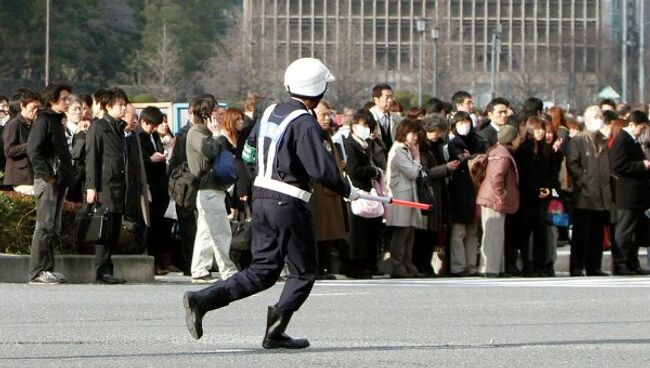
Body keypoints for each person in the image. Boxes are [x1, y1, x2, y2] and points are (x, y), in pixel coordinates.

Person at [183, 58, 359, 349]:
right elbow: (321, 170)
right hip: (289, 203)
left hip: (262, 198)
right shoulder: (305, 123)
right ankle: (275, 332)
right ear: (317, 90)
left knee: (263, 271)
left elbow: (249, 153)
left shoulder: (270, 112)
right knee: (303, 271)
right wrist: (346, 189)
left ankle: (202, 300)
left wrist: (262, 179)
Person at [26, 84, 74, 284]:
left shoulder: (57, 121)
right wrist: (47, 175)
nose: (68, 101)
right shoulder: (43, 120)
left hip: (59, 181)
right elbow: (33, 150)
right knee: (44, 227)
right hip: (47, 181)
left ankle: (48, 268)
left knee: (53, 227)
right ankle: (37, 271)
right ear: (52, 100)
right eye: (64, 98)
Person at [85, 88, 130, 285]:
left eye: (124, 104)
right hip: (104, 185)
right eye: (119, 104)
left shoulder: (120, 128)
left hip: (119, 184)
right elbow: (92, 157)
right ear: (109, 106)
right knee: (103, 228)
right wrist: (91, 186)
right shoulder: (98, 127)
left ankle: (108, 269)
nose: (123, 108)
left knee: (114, 228)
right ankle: (101, 271)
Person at [566, 106, 612, 277]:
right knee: (581, 234)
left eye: (601, 116)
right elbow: (573, 164)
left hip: (601, 195)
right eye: (595, 116)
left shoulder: (604, 140)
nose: (599, 119)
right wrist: (583, 181)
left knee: (597, 234)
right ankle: (577, 266)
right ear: (586, 119)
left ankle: (594, 266)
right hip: (584, 196)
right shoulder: (578, 140)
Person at [415, 115, 459, 276]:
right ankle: (421, 265)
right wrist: (446, 168)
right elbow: (424, 171)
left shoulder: (440, 145)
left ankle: (426, 265)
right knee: (423, 232)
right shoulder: (421, 146)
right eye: (434, 131)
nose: (437, 135)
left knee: (433, 231)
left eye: (439, 132)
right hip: (427, 191)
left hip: (439, 191)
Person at [447, 112, 488, 276]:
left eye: (466, 122)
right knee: (459, 231)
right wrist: (473, 158)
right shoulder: (453, 143)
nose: (464, 125)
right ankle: (458, 266)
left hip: (476, 188)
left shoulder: (478, 140)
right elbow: (463, 160)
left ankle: (471, 265)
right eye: (460, 122)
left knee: (472, 231)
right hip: (459, 190)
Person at [476, 125, 520, 277]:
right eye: (517, 136)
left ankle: (497, 268)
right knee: (493, 234)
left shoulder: (498, 151)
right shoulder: (502, 155)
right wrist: (502, 195)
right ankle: (490, 269)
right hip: (493, 199)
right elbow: (497, 176)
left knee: (496, 234)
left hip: (490, 197)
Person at [609, 110, 650, 275]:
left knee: (634, 232)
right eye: (641, 127)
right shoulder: (622, 139)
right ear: (632, 124)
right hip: (627, 194)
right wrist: (642, 165)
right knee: (624, 231)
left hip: (637, 195)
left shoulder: (631, 140)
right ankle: (620, 263)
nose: (642, 131)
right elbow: (618, 165)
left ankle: (632, 263)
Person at [344, 109, 383, 278]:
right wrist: (372, 171)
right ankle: (355, 266)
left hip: (366, 191)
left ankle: (367, 264)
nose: (366, 128)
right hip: (356, 192)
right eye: (363, 125)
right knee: (356, 233)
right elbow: (353, 170)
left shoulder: (365, 145)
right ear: (353, 126)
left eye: (369, 125)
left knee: (368, 231)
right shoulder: (351, 145)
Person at [312, 100, 348, 278]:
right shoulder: (313, 136)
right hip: (319, 190)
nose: (327, 118)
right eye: (323, 115)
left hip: (332, 189)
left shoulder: (326, 136)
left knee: (330, 231)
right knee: (319, 230)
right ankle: (316, 267)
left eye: (328, 114)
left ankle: (325, 267)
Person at [385, 118, 426, 278]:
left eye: (416, 133)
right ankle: (397, 265)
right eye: (412, 133)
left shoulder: (406, 149)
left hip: (408, 195)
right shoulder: (398, 150)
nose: (415, 137)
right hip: (400, 196)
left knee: (409, 231)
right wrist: (417, 158)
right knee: (401, 232)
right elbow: (412, 172)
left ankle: (407, 263)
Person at [137, 106, 173, 275]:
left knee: (159, 227)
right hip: (149, 186)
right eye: (151, 125)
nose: (153, 128)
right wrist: (150, 159)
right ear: (143, 121)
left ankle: (159, 262)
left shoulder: (153, 137)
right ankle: (152, 262)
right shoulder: (139, 136)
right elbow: (139, 161)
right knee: (151, 227)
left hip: (160, 186)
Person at [3, 90, 41, 195]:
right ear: (22, 105)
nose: (36, 111)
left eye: (38, 108)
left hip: (35, 176)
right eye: (33, 108)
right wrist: (31, 145)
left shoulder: (36, 125)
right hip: (20, 177)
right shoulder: (13, 124)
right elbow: (9, 151)